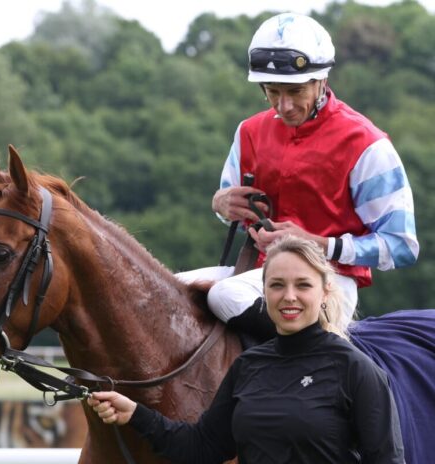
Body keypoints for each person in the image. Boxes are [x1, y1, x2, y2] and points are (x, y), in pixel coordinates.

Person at [176, 12, 419, 340]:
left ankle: (317, 355)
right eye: (272, 92)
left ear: (321, 80)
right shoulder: (249, 132)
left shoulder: (366, 143)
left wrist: (319, 244)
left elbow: (401, 245)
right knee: (167, 289)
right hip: (259, 273)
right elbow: (234, 212)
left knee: (224, 295)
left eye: (295, 91)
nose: (284, 105)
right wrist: (222, 205)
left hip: (329, 282)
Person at [88, 235, 405, 463]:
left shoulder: (355, 369)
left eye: (303, 285)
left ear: (324, 292)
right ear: (263, 291)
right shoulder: (248, 366)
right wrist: (136, 414)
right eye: (277, 285)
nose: (289, 296)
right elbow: (201, 447)